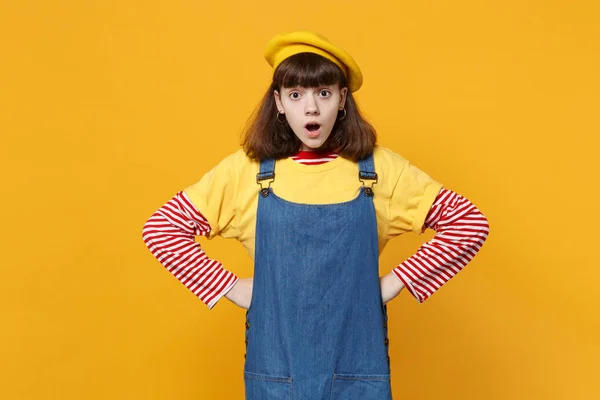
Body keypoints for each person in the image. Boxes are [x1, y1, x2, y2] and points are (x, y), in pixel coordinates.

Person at [142, 30, 490, 400]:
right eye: (296, 95)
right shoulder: (248, 172)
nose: (311, 108)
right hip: (275, 376)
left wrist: (392, 283)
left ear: (342, 99)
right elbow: (162, 228)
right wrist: (227, 286)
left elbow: (469, 222)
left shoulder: (378, 171)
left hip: (359, 377)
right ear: (279, 102)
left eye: (323, 93)